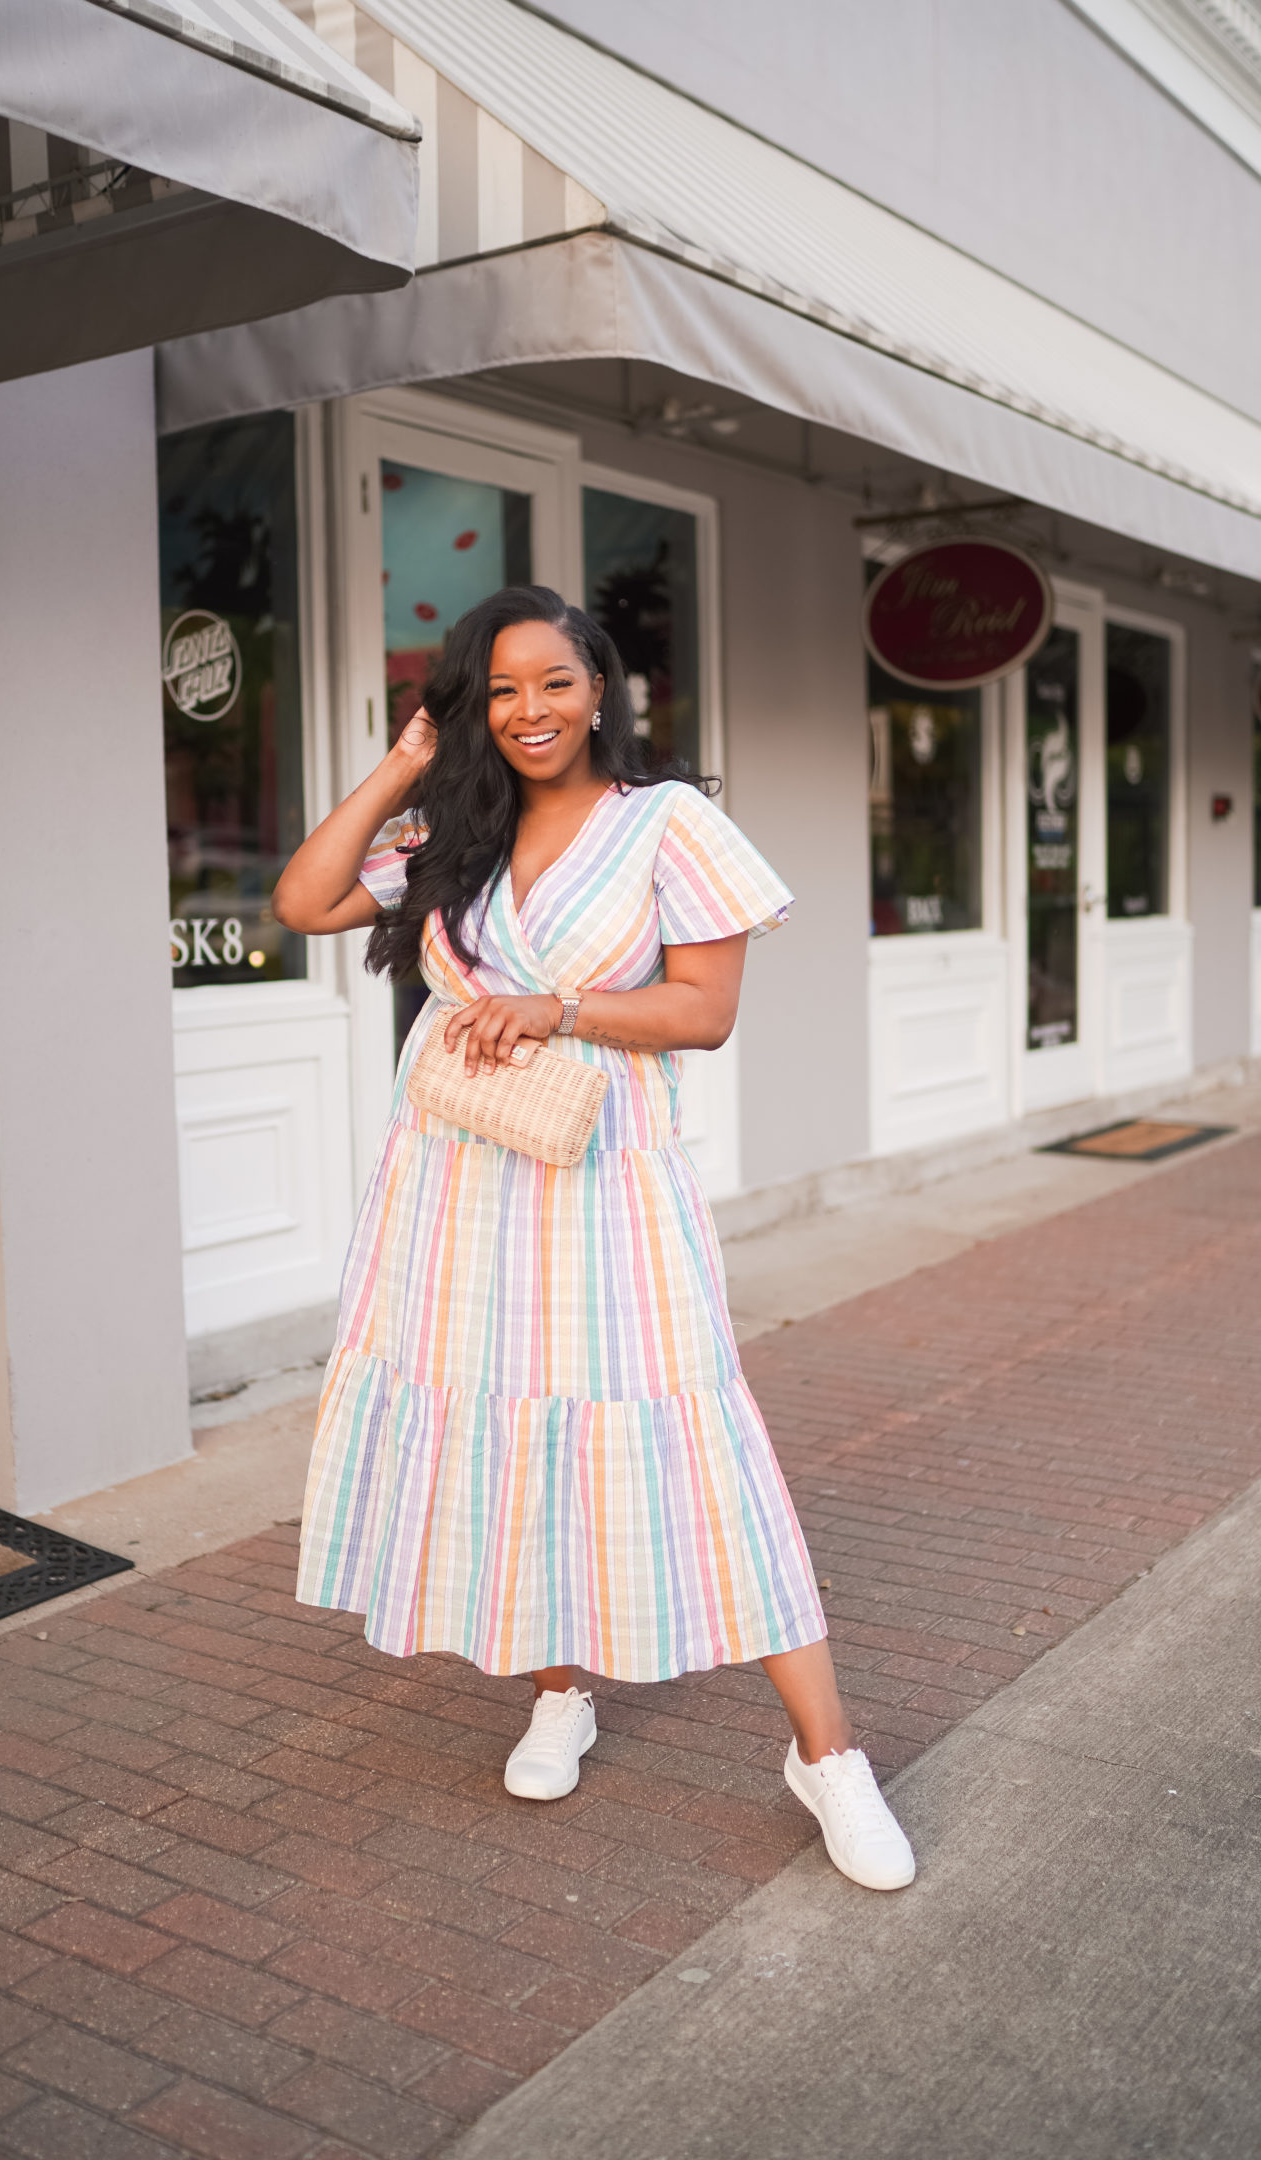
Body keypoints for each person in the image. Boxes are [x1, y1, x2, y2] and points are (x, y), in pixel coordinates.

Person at [273, 586, 913, 1892]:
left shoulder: (668, 824)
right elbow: (303, 900)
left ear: (600, 686)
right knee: (518, 1431)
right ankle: (560, 1692)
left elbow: (704, 1012)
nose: (529, 712)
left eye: (553, 683)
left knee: (694, 1436)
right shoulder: (451, 838)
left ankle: (827, 1754)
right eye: (499, 690)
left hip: (611, 1186)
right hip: (458, 1186)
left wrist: (554, 1008)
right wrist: (407, 758)